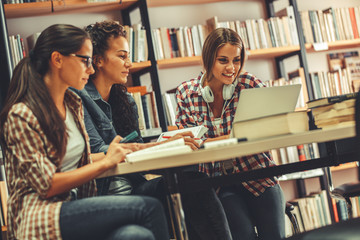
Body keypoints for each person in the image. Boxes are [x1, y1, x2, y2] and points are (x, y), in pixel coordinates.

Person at [0, 24, 169, 240]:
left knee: (134, 235)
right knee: (148, 208)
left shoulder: (73, 104)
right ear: (58, 59)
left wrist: (163, 143)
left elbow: (86, 159)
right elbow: (47, 185)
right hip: (38, 216)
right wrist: (106, 162)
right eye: (85, 60)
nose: (90, 69)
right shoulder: (22, 114)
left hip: (74, 207)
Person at [73, 20, 232, 240]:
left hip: (135, 187)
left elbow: (139, 151)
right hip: (107, 196)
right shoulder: (79, 98)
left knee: (194, 181)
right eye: (122, 56)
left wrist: (171, 142)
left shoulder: (126, 100)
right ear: (98, 60)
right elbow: (103, 151)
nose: (129, 63)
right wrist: (166, 144)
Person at [175, 27, 286, 240]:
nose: (231, 68)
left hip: (258, 174)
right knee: (242, 234)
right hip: (218, 184)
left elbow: (271, 126)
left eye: (236, 60)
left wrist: (213, 141)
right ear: (209, 60)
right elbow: (190, 144)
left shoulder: (249, 84)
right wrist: (238, 135)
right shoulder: (186, 94)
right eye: (223, 60)